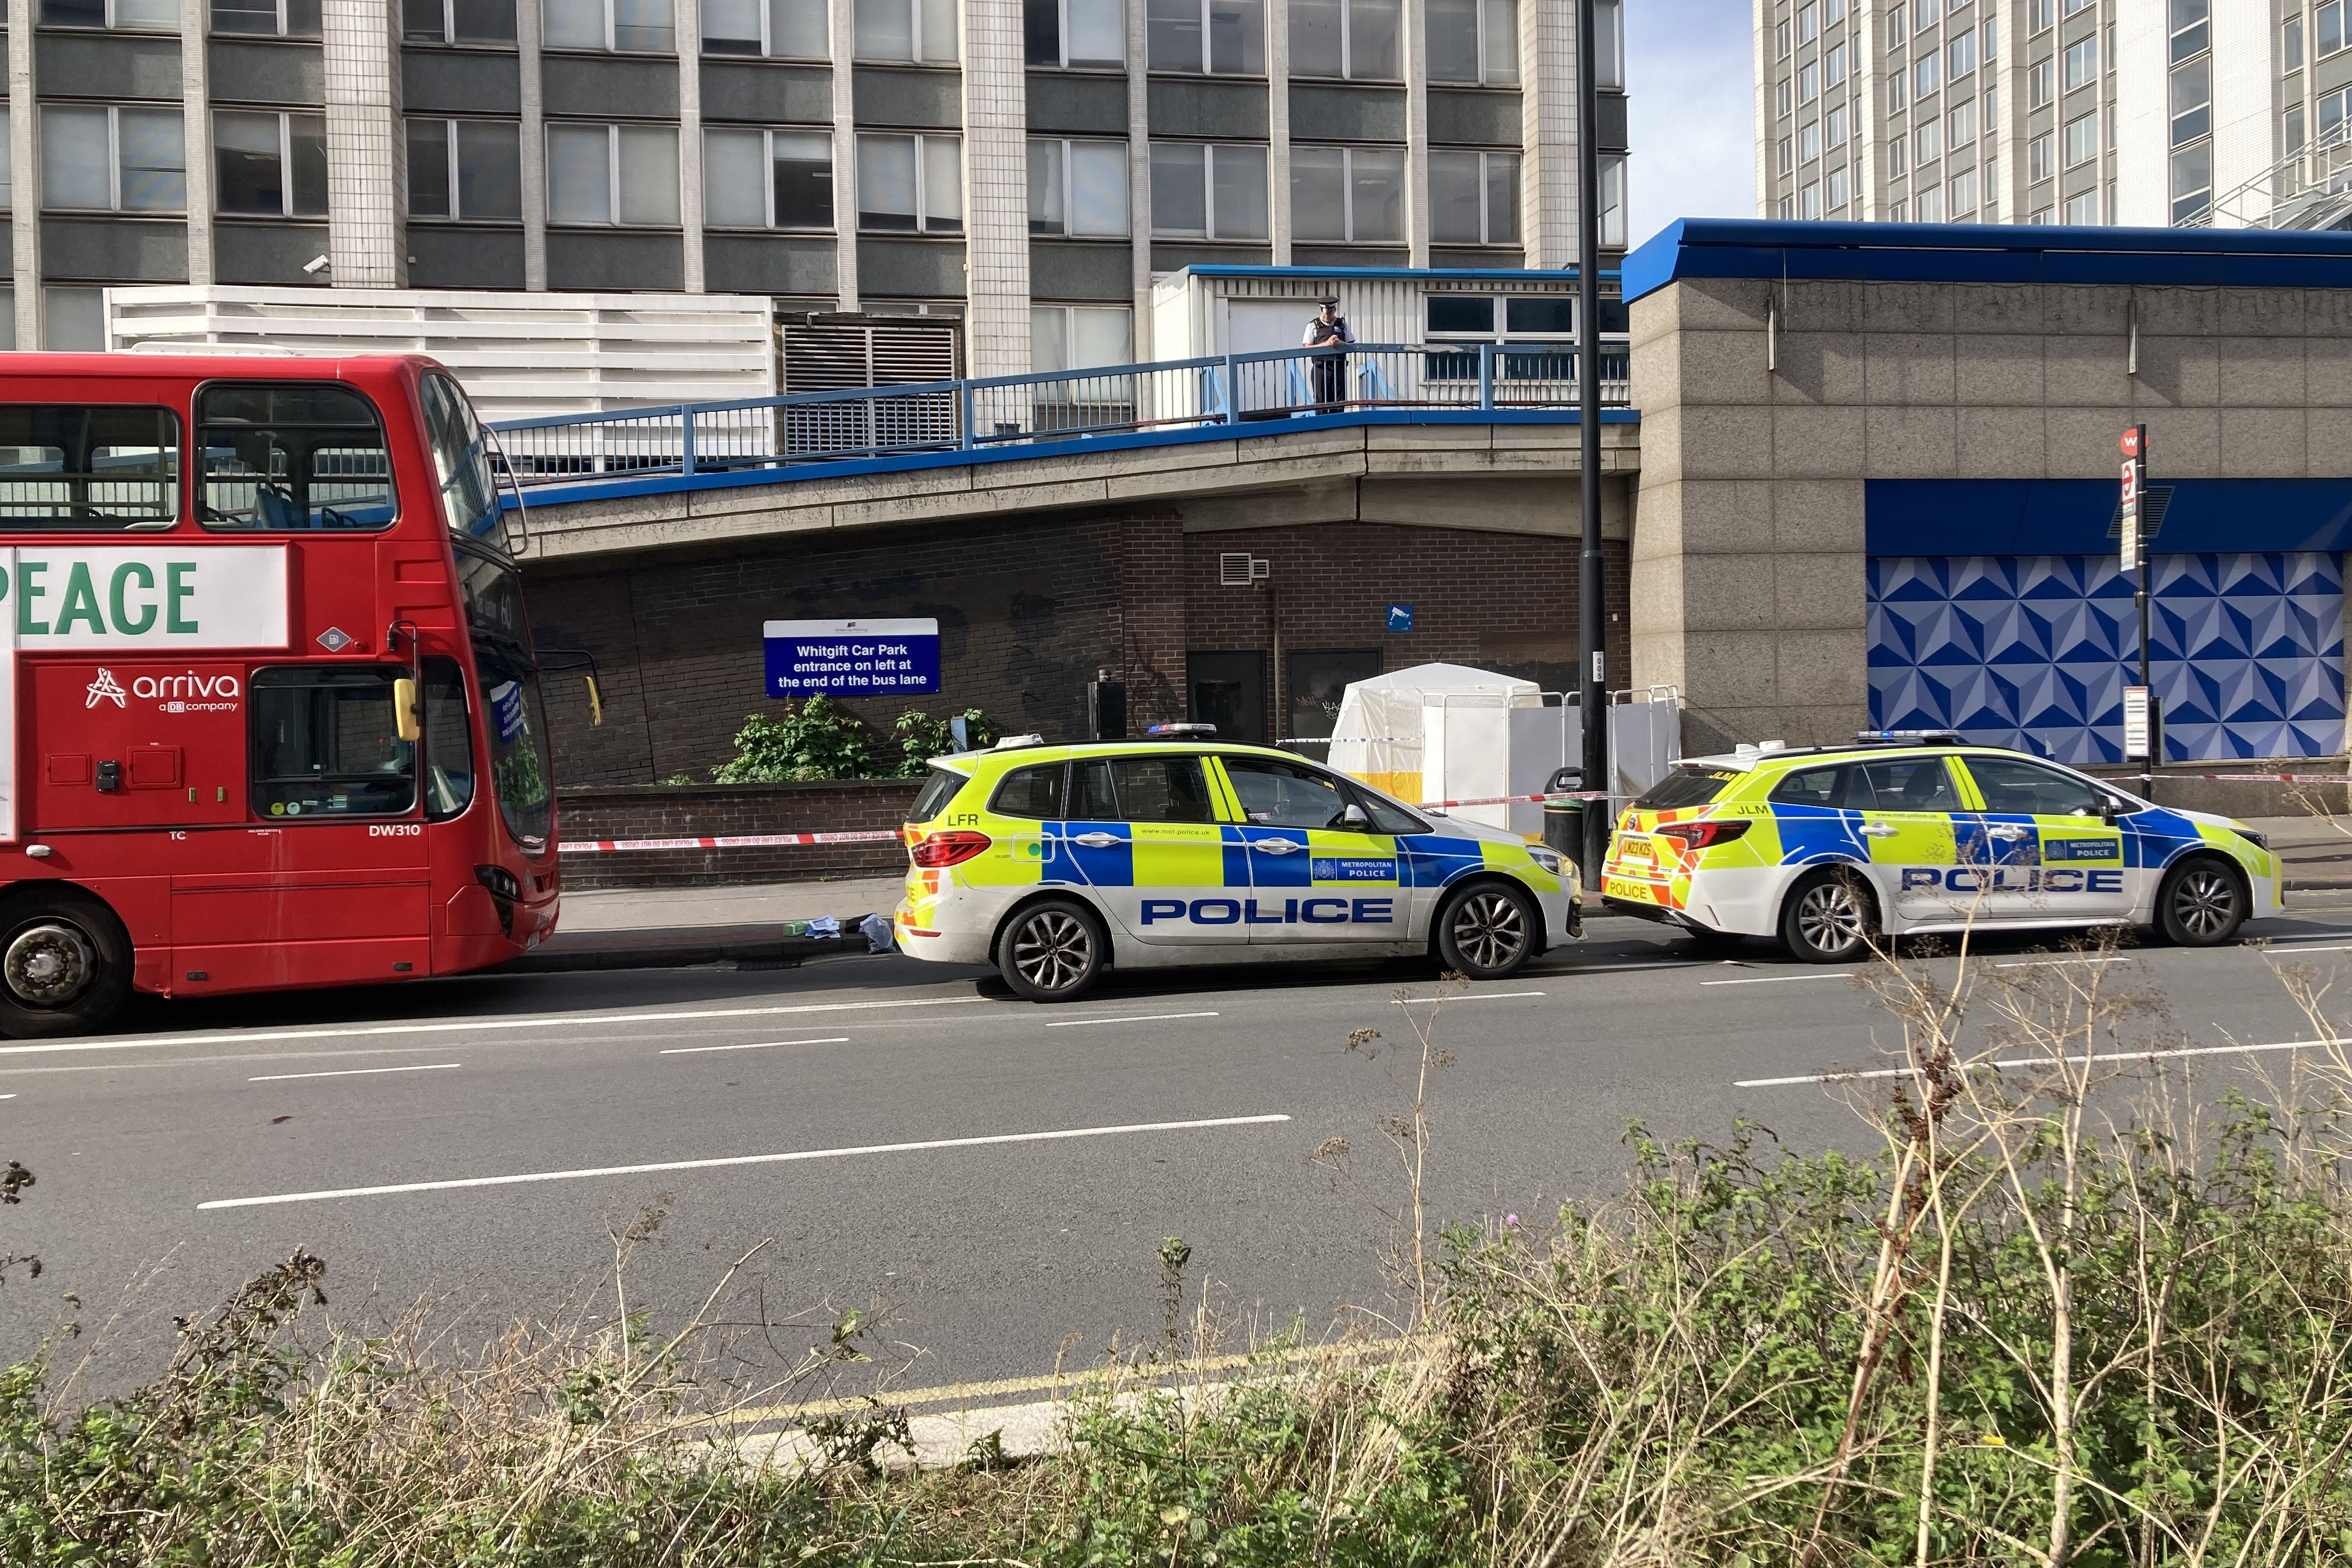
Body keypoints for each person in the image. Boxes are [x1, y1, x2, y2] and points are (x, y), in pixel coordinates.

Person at [1301, 295, 1354, 411]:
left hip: (1338, 367)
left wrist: (1340, 343)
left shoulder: (1342, 325)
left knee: (1339, 400)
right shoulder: (1312, 326)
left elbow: (1352, 346)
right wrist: (1325, 344)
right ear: (1321, 310)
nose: (1326, 315)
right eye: (1324, 312)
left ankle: (1338, 423)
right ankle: (1321, 424)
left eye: (1329, 312)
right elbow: (1307, 348)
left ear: (1334, 310)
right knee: (1321, 401)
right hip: (1321, 368)